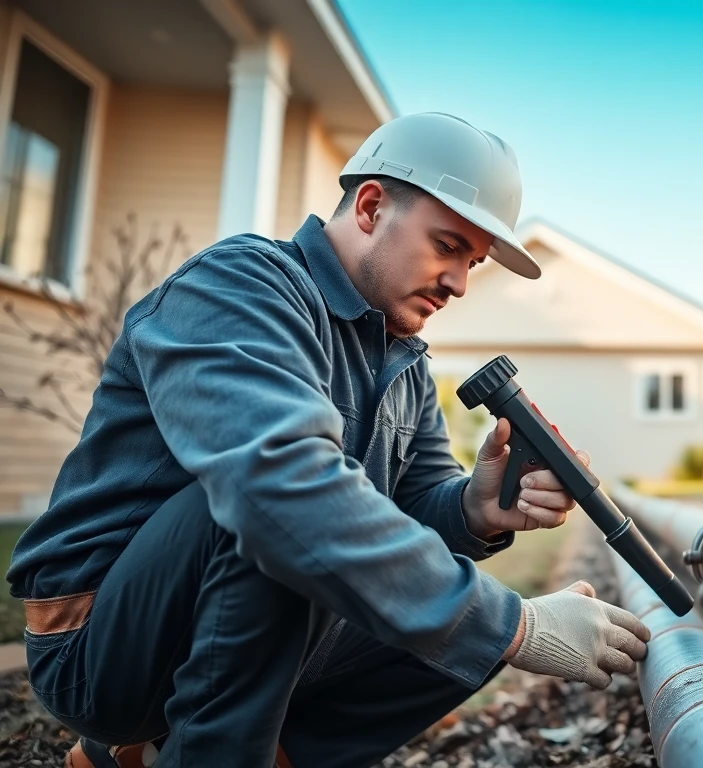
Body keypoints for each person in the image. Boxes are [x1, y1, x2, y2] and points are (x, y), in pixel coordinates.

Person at [5, 112, 651, 768]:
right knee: (287, 512)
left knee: (458, 634)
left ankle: (164, 754)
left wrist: (472, 510)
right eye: (449, 246)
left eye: (474, 263)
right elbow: (275, 489)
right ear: (371, 206)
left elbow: (410, 510)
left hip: (239, 628)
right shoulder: (242, 285)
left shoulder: (404, 362)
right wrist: (516, 629)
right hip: (98, 648)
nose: (459, 283)